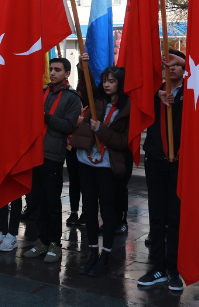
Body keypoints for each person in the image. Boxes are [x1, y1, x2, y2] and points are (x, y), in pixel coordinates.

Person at [72, 64, 130, 277]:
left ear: (120, 83)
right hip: (86, 161)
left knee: (107, 210)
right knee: (88, 208)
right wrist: (82, 67)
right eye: (105, 80)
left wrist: (102, 131)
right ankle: (92, 254)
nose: (106, 84)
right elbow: (84, 88)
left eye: (111, 81)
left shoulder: (126, 108)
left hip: (107, 164)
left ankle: (105, 256)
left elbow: (124, 142)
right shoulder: (97, 100)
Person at [22, 57, 82, 263]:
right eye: (51, 69)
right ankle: (42, 240)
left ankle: (55, 243)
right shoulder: (42, 92)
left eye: (58, 69)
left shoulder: (72, 98)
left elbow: (68, 126)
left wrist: (46, 117)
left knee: (51, 202)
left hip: (53, 155)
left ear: (67, 74)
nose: (53, 72)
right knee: (35, 201)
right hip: (34, 153)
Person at [137, 49, 186, 291]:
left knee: (176, 217)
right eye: (168, 64)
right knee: (156, 216)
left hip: (180, 160)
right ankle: (157, 267)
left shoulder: (192, 91)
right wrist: (156, 95)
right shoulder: (153, 93)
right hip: (156, 159)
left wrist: (185, 61)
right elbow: (133, 89)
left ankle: (175, 269)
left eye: (177, 63)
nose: (172, 68)